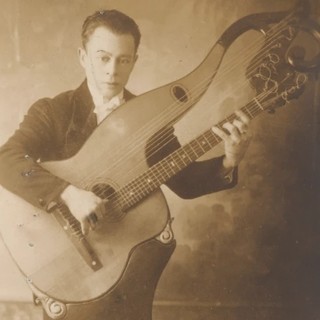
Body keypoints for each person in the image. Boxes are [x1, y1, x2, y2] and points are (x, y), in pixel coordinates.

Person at [0, 9, 251, 320]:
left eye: (123, 60)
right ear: (83, 56)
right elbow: (5, 160)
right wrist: (67, 193)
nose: (112, 71)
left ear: (134, 61)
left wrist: (230, 158)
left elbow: (184, 182)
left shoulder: (149, 119)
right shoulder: (53, 111)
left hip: (126, 263)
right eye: (103, 58)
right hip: (63, 264)